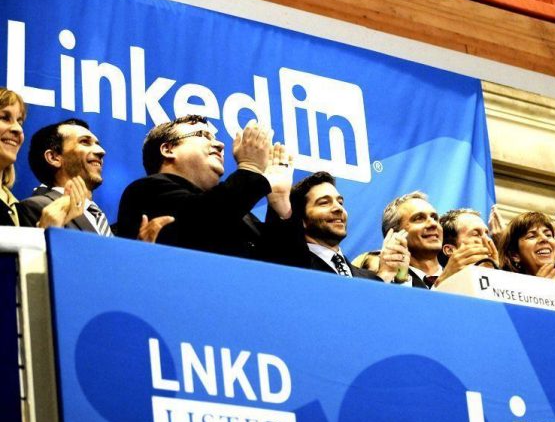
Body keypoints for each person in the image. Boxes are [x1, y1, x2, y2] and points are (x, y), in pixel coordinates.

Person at [117, 116, 292, 258]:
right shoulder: (145, 191)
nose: (220, 145)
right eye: (202, 135)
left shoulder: (242, 214)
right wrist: (250, 168)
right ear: (168, 149)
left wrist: (281, 207)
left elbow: (289, 273)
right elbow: (201, 223)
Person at [0, 88, 115, 231]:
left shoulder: (11, 201)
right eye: (85, 142)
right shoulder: (37, 207)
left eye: (20, 122)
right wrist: (46, 232)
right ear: (54, 157)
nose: (101, 151)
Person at [277, 171, 408, 282]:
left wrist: (390, 273)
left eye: (340, 202)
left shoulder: (370, 278)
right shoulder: (291, 268)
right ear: (301, 219)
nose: (338, 208)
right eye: (324, 203)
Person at [382, 193, 496, 289]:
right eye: (419, 218)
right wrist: (443, 285)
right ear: (395, 235)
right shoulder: (383, 282)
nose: (432, 224)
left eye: (435, 218)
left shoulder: (471, 283)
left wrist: (495, 277)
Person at [499, 211, 555, 315]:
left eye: (548, 235)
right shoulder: (507, 292)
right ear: (515, 255)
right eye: (531, 236)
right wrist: (540, 296)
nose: (544, 239)